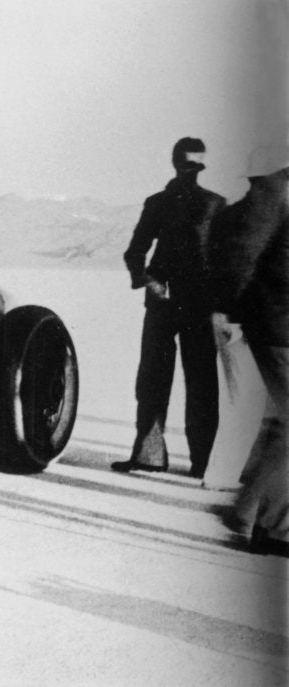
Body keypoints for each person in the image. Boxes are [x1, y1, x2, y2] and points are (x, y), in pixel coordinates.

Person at [112, 137, 226, 478]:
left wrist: (221, 302)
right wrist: (147, 281)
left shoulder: (214, 204)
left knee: (201, 383)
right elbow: (135, 252)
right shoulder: (158, 203)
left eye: (197, 165)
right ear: (176, 163)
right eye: (187, 164)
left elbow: (226, 259)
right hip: (163, 304)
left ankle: (204, 462)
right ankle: (149, 456)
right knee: (152, 379)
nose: (191, 171)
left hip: (198, 306)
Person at [210, 142, 289, 555]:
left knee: (281, 421)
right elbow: (244, 254)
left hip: (277, 322)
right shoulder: (275, 190)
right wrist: (226, 310)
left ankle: (247, 510)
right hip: (277, 324)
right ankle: (271, 529)